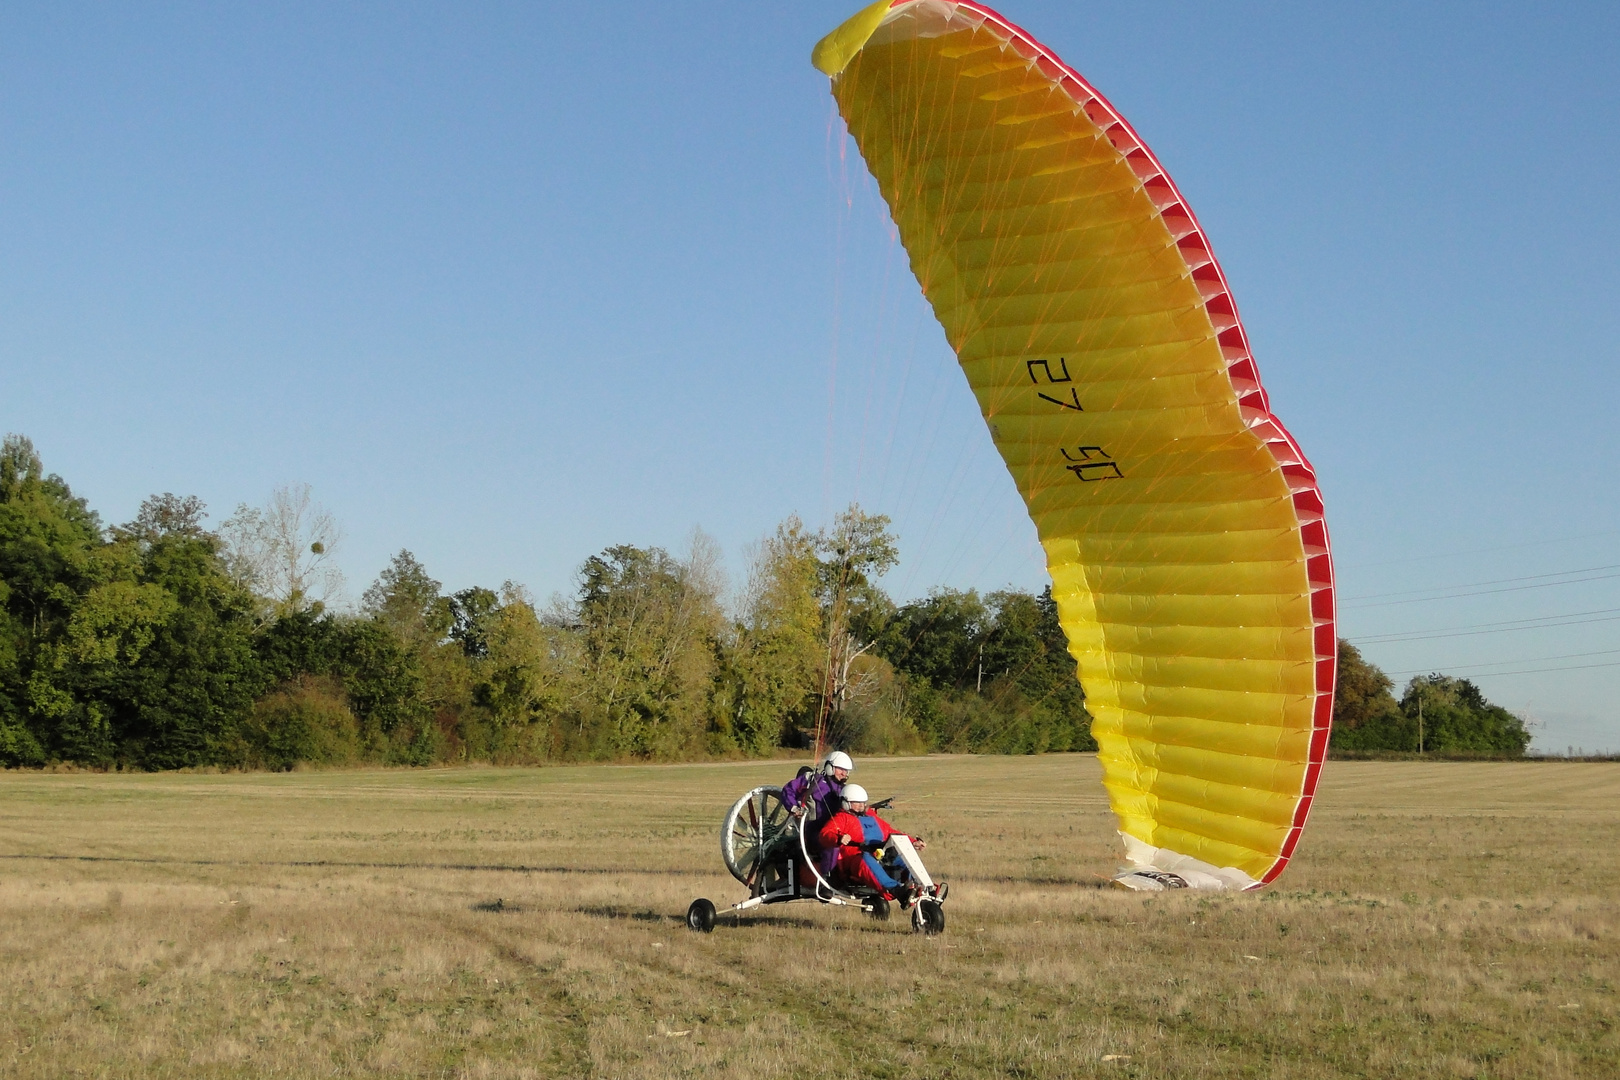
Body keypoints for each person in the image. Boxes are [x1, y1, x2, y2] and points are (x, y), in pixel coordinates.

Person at [818, 783, 926, 902]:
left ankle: (917, 886)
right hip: (855, 858)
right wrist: (838, 838)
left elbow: (890, 832)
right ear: (846, 803)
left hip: (879, 853)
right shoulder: (841, 818)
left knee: (905, 856)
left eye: (863, 803)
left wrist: (912, 842)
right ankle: (894, 889)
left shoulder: (871, 817)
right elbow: (824, 834)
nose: (862, 806)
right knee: (866, 860)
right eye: (858, 803)